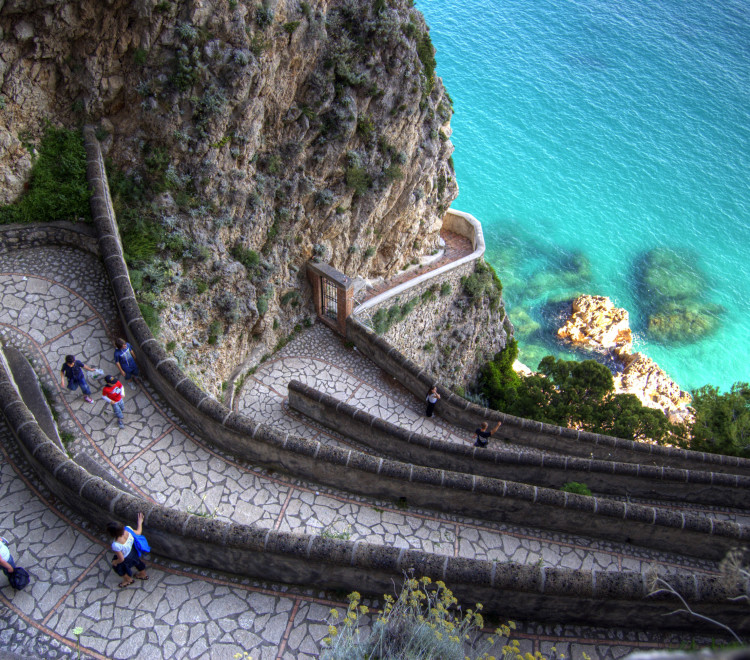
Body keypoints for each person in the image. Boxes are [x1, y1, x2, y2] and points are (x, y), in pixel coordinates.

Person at [107, 513, 148, 588]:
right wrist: (139, 522)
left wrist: (115, 562)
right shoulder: (128, 529)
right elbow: (138, 532)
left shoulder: (116, 545)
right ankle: (143, 574)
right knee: (137, 561)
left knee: (119, 568)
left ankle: (128, 580)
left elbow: (121, 559)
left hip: (126, 557)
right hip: (134, 551)